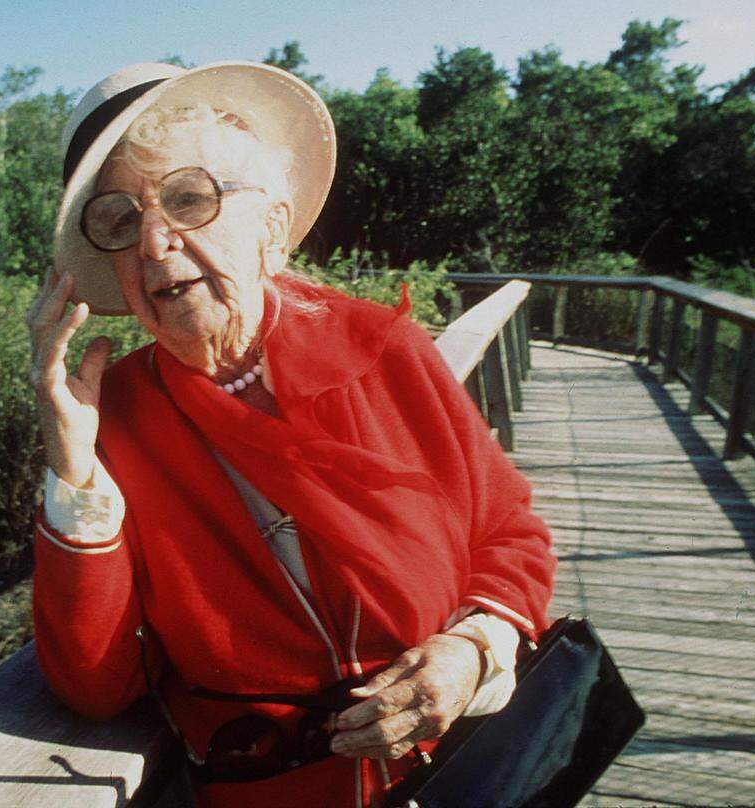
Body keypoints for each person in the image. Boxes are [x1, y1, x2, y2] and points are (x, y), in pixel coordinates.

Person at [27, 61, 555, 808]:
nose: (153, 242)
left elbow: (511, 533)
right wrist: (74, 469)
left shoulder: (384, 350)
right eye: (120, 220)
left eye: (187, 199)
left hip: (464, 775)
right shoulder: (115, 414)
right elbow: (95, 687)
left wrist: (471, 650)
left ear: (271, 228)